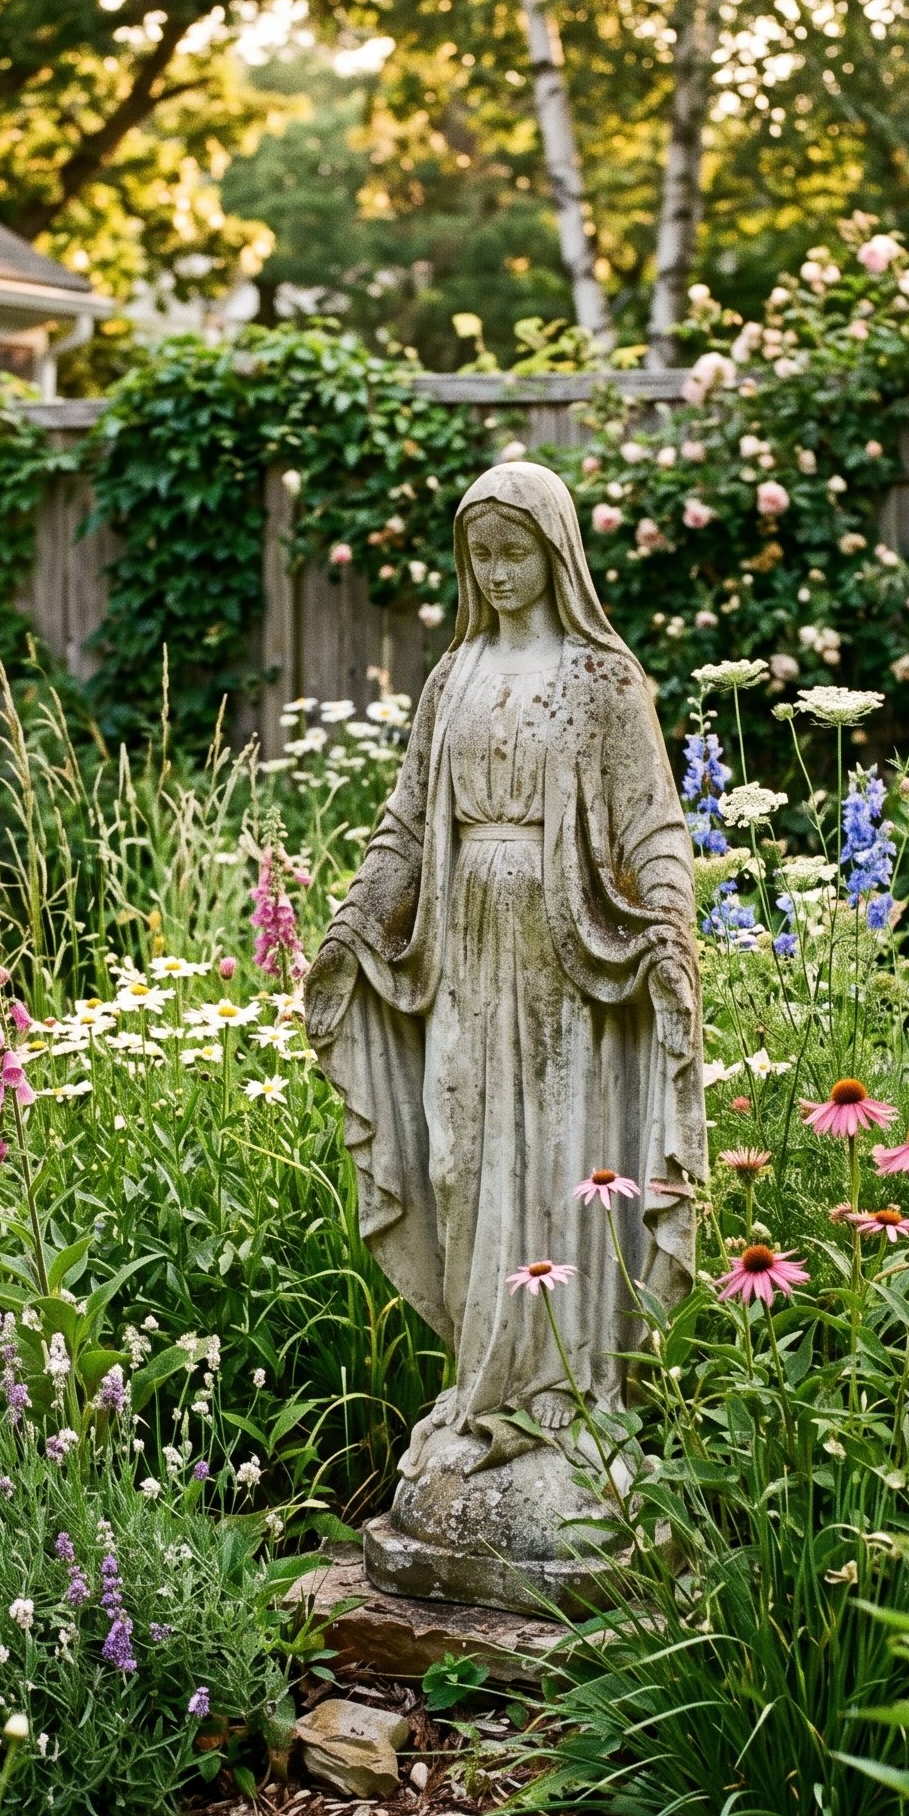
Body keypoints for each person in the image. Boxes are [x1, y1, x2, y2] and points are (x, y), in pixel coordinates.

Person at [304, 459, 704, 1536]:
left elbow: (653, 827)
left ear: (556, 551)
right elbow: (401, 828)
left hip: (565, 960)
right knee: (463, 1157)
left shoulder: (601, 677)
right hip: (461, 957)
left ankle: (567, 1401)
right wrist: (358, 914)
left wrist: (666, 926)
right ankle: (479, 1385)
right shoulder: (452, 677)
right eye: (480, 553)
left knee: (564, 1168)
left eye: (514, 549)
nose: (497, 569)